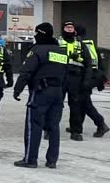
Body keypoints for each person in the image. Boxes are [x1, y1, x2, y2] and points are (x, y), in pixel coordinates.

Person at [13, 23, 69, 169]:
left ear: (41, 34)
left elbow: (26, 71)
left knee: (34, 125)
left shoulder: (37, 50)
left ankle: (30, 159)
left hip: (40, 92)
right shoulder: (61, 52)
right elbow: (65, 73)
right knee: (54, 127)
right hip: (58, 93)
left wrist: (17, 89)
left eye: (37, 33)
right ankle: (52, 160)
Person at [57, 21, 93, 142]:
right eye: (67, 27)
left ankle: (76, 131)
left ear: (74, 30)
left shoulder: (80, 44)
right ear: (63, 29)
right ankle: (49, 129)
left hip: (75, 78)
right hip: (60, 77)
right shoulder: (57, 43)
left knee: (76, 106)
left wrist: (87, 80)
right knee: (55, 104)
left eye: (71, 27)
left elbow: (88, 63)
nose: (69, 29)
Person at [75, 24, 110, 137]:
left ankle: (101, 124)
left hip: (85, 77)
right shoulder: (91, 43)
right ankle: (77, 125)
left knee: (85, 104)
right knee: (82, 102)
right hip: (94, 77)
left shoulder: (78, 44)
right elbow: (99, 61)